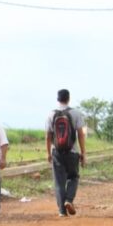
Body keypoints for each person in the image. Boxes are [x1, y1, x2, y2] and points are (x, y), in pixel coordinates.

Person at [46, 89, 87, 217]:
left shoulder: (51, 114)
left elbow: (48, 136)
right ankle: (69, 200)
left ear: (57, 99)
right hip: (72, 152)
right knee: (73, 177)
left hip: (57, 152)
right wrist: (83, 153)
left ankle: (62, 212)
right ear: (68, 99)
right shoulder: (75, 113)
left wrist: (48, 153)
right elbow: (80, 134)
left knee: (59, 182)